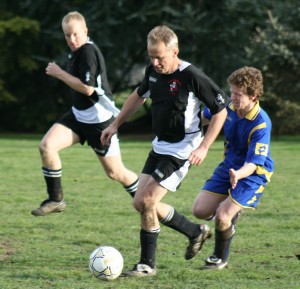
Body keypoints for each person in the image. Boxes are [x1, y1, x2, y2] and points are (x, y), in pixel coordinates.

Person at [101, 25, 227, 277]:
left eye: (160, 57)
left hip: (182, 150)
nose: (155, 62)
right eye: (151, 56)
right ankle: (195, 231)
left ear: (175, 52)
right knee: (140, 202)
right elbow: (138, 96)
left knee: (148, 201)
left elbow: (220, 111)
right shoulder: (153, 71)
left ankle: (147, 265)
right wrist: (115, 124)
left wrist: (204, 147)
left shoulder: (191, 76)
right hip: (160, 146)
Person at [31, 11, 139, 216]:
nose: (71, 40)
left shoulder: (88, 51)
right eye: (67, 35)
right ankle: (56, 199)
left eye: (75, 34)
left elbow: (88, 89)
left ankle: (145, 198)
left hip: (100, 122)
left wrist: (59, 73)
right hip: (79, 116)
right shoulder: (76, 51)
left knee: (116, 173)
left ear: (85, 31)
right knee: (47, 146)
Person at [192, 66, 274, 270]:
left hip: (252, 174)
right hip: (228, 167)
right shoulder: (228, 106)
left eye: (238, 95)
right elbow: (203, 116)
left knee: (222, 215)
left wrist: (238, 174)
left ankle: (219, 258)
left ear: (253, 96)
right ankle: (229, 220)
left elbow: (255, 163)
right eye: (231, 92)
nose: (232, 98)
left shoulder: (261, 123)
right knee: (200, 210)